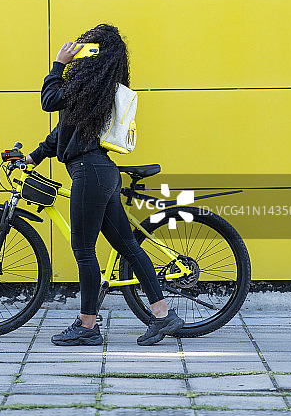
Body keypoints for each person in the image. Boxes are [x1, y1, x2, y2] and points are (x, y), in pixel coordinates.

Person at [24, 23, 184, 346]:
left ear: (96, 55)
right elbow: (63, 133)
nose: (81, 52)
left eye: (88, 48)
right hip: (103, 173)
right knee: (129, 247)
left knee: (84, 251)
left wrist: (59, 63)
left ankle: (87, 325)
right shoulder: (96, 89)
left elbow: (48, 99)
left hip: (90, 173)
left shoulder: (87, 87)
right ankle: (164, 314)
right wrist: (35, 156)